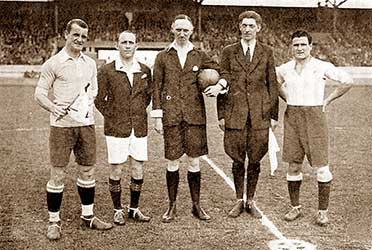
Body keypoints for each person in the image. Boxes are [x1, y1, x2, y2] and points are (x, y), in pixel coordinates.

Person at [34, 19, 112, 240]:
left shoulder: (89, 63)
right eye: (75, 35)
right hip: (61, 127)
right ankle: (54, 221)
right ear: (66, 34)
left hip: (85, 125)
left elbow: (94, 90)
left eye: (83, 36)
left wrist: (84, 105)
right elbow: (39, 93)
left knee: (88, 171)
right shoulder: (53, 63)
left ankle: (88, 217)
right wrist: (53, 107)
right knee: (58, 173)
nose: (79, 39)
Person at [205, 10, 279, 219]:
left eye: (251, 26)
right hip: (234, 112)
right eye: (244, 25)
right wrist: (221, 114)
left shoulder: (267, 52)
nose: (247, 29)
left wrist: (273, 115)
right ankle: (239, 200)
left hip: (260, 114)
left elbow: (272, 83)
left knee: (255, 159)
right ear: (239, 27)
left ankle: (251, 200)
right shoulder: (229, 51)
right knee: (237, 159)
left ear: (259, 28)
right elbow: (224, 78)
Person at [276, 30, 352, 225]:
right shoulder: (284, 69)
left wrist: (327, 100)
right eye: (296, 45)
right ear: (291, 47)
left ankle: (322, 211)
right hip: (293, 116)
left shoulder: (321, 66)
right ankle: (295, 207)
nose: (299, 48)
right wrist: (288, 99)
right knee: (293, 165)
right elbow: (275, 84)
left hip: (315, 117)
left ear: (310, 46)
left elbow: (347, 81)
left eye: (303, 44)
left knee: (322, 167)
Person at [151, 14, 221, 223]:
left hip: (195, 116)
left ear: (192, 32)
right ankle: (171, 206)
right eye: (178, 29)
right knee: (172, 161)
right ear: (172, 29)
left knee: (194, 161)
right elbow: (157, 86)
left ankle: (196, 205)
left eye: (186, 30)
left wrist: (218, 85)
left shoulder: (199, 54)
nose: (182, 33)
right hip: (171, 115)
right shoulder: (163, 56)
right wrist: (157, 116)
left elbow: (219, 70)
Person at [95, 31, 152, 225]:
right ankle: (117, 209)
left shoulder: (144, 69)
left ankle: (134, 209)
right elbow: (99, 100)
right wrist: (114, 116)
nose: (127, 45)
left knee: (138, 168)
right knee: (116, 169)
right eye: (124, 42)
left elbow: (147, 97)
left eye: (131, 42)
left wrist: (135, 113)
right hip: (116, 128)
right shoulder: (107, 70)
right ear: (116, 45)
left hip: (139, 127)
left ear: (137, 45)